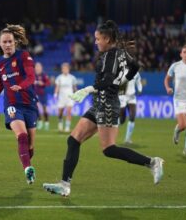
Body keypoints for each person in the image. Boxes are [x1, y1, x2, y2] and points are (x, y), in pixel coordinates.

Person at [43, 20, 164, 197]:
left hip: (107, 104)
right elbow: (135, 66)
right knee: (73, 140)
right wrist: (122, 82)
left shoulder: (110, 56)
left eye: (98, 38)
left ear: (107, 39)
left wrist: (87, 89)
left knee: (109, 149)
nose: (96, 42)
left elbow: (106, 81)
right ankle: (64, 184)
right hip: (100, 102)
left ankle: (152, 162)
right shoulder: (120, 54)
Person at [0, 24, 38, 184]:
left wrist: (20, 86)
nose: (7, 44)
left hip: (29, 103)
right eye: (4, 42)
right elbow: (0, 84)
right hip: (12, 104)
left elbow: (31, 77)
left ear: (15, 42)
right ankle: (27, 169)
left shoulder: (24, 56)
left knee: (30, 145)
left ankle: (28, 164)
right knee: (21, 136)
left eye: (10, 41)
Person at [119, 72, 143, 144]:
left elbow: (138, 82)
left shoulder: (136, 73)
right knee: (122, 120)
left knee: (132, 117)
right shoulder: (121, 71)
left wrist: (140, 89)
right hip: (122, 97)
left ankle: (127, 139)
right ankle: (110, 128)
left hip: (132, 97)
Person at [54, 62, 78, 132]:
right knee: (60, 112)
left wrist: (76, 94)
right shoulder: (59, 78)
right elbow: (57, 87)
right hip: (61, 97)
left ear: (68, 69)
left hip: (69, 97)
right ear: (62, 69)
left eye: (66, 68)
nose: (65, 70)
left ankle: (67, 127)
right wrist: (55, 94)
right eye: (64, 68)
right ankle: (60, 124)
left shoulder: (72, 78)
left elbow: (74, 88)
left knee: (69, 111)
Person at [34, 62, 51, 130]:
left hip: (43, 94)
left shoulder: (44, 75)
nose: (38, 68)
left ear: (41, 68)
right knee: (36, 108)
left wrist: (43, 83)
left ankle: (46, 122)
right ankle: (40, 122)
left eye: (39, 67)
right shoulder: (33, 75)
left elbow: (48, 83)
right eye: (37, 67)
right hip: (35, 94)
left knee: (44, 109)